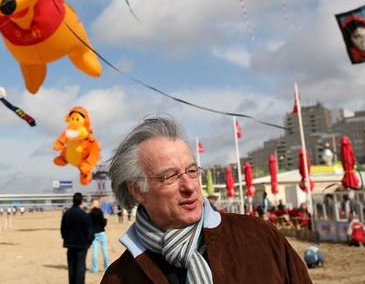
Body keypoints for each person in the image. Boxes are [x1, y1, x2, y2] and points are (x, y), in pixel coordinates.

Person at [102, 116, 311, 283]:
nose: (190, 186)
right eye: (171, 176)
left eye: (192, 171)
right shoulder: (120, 277)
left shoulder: (258, 236)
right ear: (138, 190)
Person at [61, 192, 94, 284]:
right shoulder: (84, 215)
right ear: (81, 201)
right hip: (82, 245)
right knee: (80, 266)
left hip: (70, 244)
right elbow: (90, 230)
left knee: (71, 266)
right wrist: (89, 241)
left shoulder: (67, 213)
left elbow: (63, 229)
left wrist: (66, 238)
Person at [89, 200, 110, 273]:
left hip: (94, 234)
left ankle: (95, 269)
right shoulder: (100, 212)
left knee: (95, 251)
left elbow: (89, 224)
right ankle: (107, 267)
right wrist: (105, 219)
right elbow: (103, 224)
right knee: (105, 251)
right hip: (101, 233)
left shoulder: (90, 213)